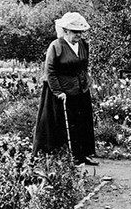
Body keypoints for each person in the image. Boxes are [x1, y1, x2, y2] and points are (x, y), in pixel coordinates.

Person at [32, 12, 98, 165]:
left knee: (81, 123)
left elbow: (83, 66)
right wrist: (58, 91)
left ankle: (81, 155)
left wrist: (86, 82)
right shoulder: (56, 46)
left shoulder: (83, 45)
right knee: (59, 125)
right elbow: (50, 71)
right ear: (66, 31)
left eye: (81, 31)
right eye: (76, 31)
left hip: (80, 90)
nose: (79, 35)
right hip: (60, 91)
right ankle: (60, 157)